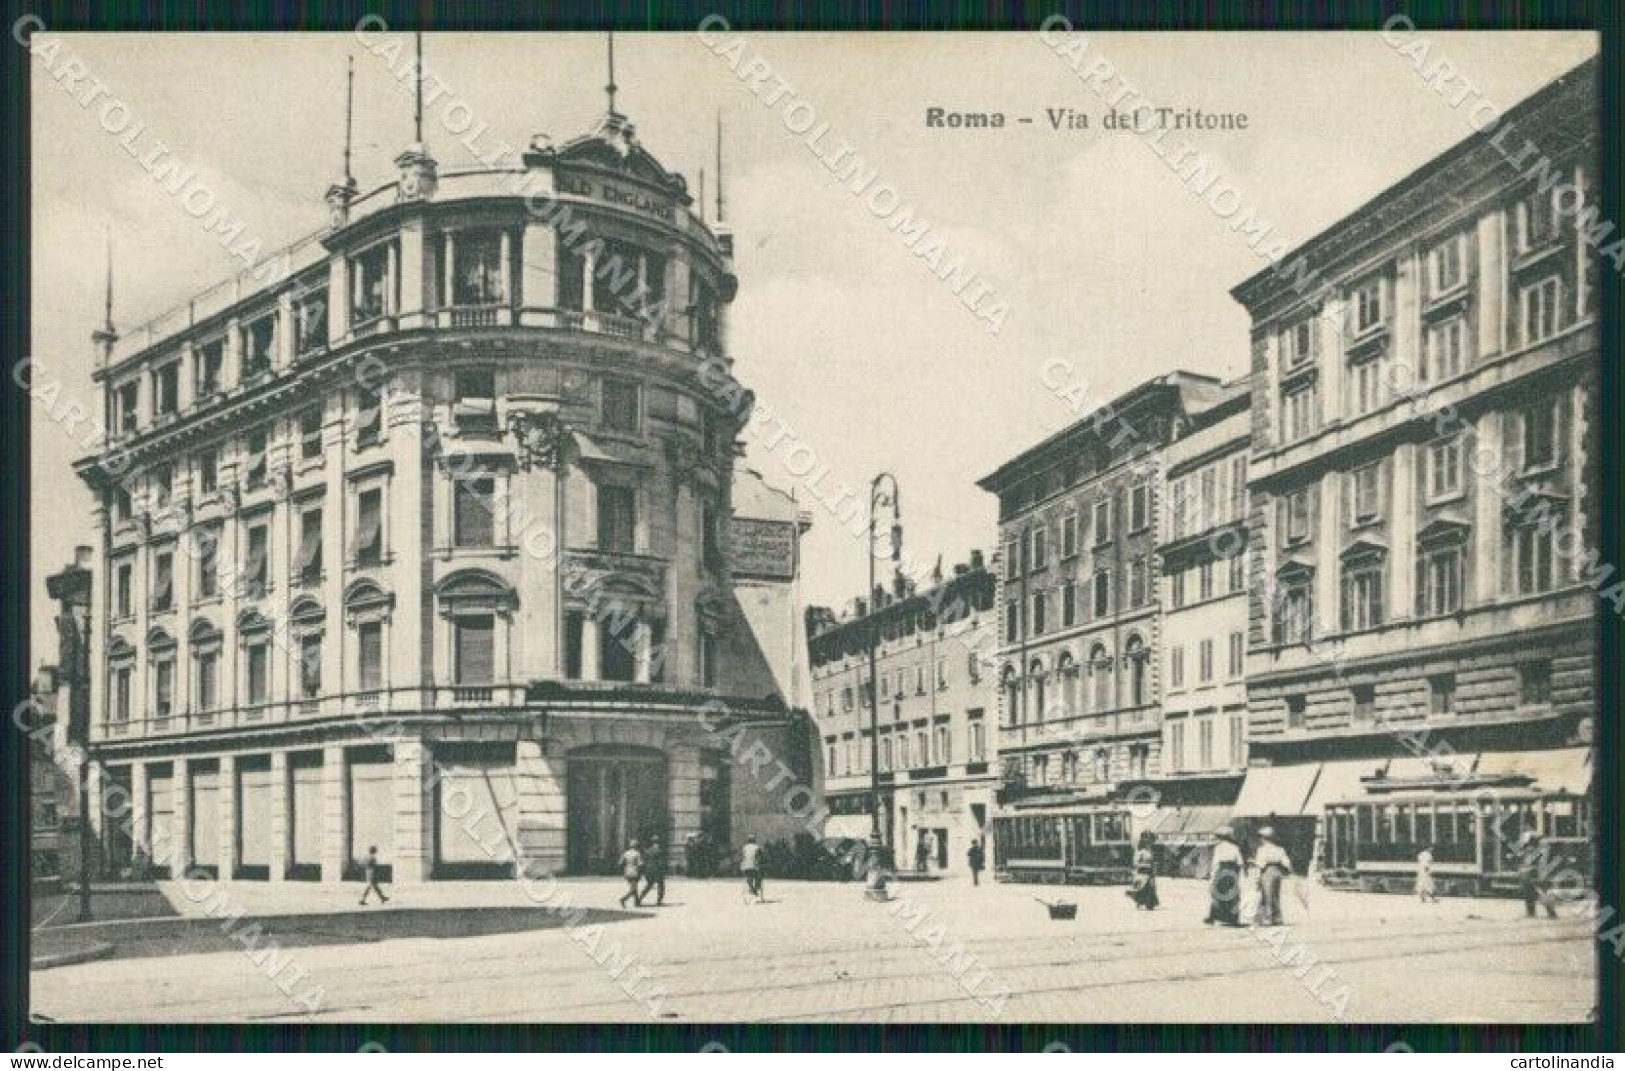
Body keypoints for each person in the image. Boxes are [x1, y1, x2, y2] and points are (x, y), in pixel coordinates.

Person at [1254, 827, 1292, 927]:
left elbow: (1260, 864)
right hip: (1277, 871)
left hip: (1267, 871)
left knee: (1266, 895)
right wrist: (1287, 872)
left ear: (1263, 838)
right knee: (1275, 894)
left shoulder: (1262, 850)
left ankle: (1267, 918)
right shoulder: (1279, 849)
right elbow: (1286, 862)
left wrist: (1257, 878)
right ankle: (1277, 917)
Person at [1205, 826, 1244, 926]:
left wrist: (1212, 874)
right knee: (1233, 894)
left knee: (1218, 893)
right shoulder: (1235, 847)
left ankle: (1214, 916)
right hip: (1232, 870)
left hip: (1221, 870)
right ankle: (1233, 918)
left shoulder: (1218, 847)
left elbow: (1215, 862)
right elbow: (1240, 862)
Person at [1517, 825, 1558, 919]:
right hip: (1532, 870)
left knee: (1536, 892)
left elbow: (1528, 856)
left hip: (1532, 870)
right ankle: (1544, 913)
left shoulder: (1532, 842)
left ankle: (1550, 913)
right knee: (1533, 892)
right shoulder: (1540, 843)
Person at [1126, 831, 1160, 910]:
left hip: (1149, 872)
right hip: (1142, 872)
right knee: (1143, 887)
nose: (1150, 844)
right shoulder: (1139, 852)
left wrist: (1153, 867)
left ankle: (1148, 903)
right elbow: (1135, 863)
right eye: (1148, 842)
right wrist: (1146, 865)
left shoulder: (1150, 851)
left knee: (1151, 887)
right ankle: (1142, 902)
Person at [641, 838, 668, 906]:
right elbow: (660, 862)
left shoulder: (648, 850)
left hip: (648, 870)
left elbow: (644, 860)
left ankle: (640, 898)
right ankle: (659, 901)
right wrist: (664, 870)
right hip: (657, 870)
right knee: (661, 885)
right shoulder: (659, 851)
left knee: (649, 885)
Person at [618, 839, 644, 908]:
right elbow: (640, 864)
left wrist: (625, 867)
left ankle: (637, 902)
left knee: (633, 887)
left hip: (627, 872)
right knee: (633, 889)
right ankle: (623, 899)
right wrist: (641, 871)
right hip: (634, 872)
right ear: (636, 846)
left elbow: (620, 863)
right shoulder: (637, 853)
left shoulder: (625, 853)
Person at [740, 835, 764, 903]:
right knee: (759, 877)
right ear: (754, 840)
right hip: (754, 866)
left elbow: (742, 857)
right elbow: (761, 857)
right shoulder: (757, 847)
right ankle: (755, 889)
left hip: (745, 867)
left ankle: (752, 888)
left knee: (748, 877)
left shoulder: (744, 847)